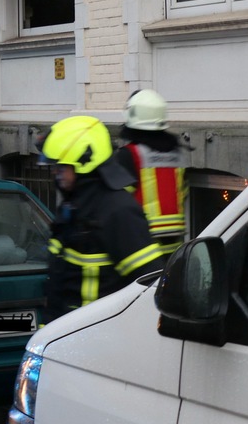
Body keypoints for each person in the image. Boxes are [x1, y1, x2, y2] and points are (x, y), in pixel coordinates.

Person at [40, 115, 165, 323]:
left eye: (61, 167)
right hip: (67, 336)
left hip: (98, 339)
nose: (56, 174)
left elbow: (149, 284)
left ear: (85, 162)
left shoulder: (119, 210)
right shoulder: (73, 205)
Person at [113, 89, 189, 258]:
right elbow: (182, 192)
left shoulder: (130, 154)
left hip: (142, 240)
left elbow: (118, 200)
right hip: (175, 244)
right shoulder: (177, 153)